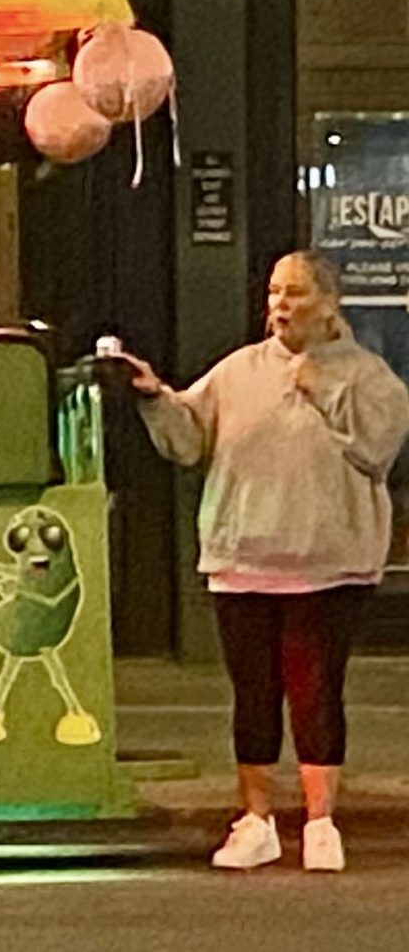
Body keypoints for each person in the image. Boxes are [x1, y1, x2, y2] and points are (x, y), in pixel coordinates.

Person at [117, 250, 409, 873]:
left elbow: (380, 446)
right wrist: (153, 398)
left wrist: (320, 381)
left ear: (329, 304)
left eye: (296, 293)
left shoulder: (367, 374)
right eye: (275, 291)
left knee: (314, 691)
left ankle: (321, 822)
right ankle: (256, 821)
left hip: (329, 564)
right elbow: (189, 437)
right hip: (243, 558)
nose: (279, 304)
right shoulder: (239, 369)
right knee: (253, 696)